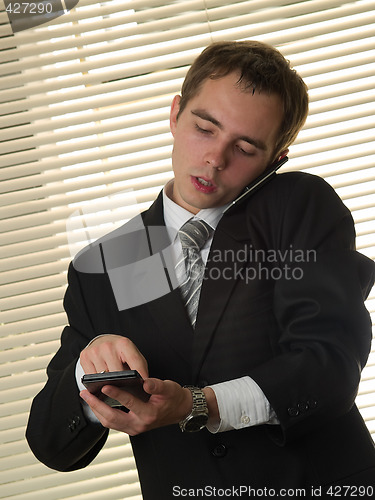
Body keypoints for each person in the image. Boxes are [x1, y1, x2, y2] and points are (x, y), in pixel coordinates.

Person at [26, 41, 375, 498]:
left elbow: (329, 363)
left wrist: (198, 404)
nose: (216, 158)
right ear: (175, 114)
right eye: (205, 128)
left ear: (276, 159)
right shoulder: (104, 265)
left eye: (246, 147)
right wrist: (87, 369)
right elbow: (52, 444)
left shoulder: (297, 209)